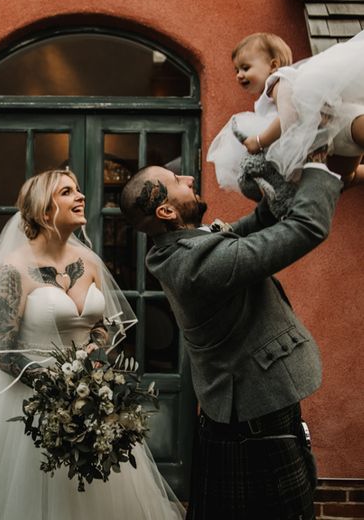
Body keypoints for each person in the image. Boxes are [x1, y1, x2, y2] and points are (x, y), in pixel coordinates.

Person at [0, 169, 184, 520]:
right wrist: (56, 388)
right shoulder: (14, 269)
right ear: (45, 211)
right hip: (30, 405)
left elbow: (101, 326)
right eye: (67, 192)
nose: (81, 197)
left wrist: (96, 360)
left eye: (77, 190)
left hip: (89, 397)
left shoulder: (89, 262)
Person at [119, 156, 342, 520]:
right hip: (255, 428)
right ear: (166, 211)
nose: (189, 178)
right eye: (177, 180)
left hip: (250, 415)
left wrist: (272, 180)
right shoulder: (197, 266)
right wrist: (320, 168)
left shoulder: (182, 247)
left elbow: (252, 226)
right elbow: (307, 228)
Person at [207, 31, 364, 196]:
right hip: (338, 141)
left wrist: (260, 141)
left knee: (345, 175)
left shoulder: (277, 82)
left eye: (246, 68)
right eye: (236, 70)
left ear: (273, 66)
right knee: (344, 179)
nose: (239, 75)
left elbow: (288, 117)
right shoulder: (266, 101)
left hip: (345, 123)